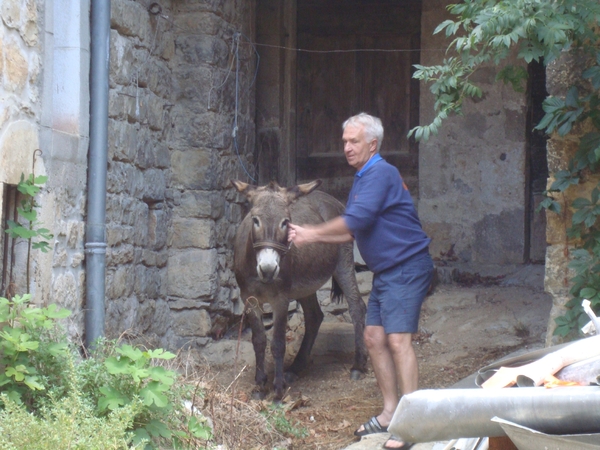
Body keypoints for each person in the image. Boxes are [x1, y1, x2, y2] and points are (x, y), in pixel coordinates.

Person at [288, 112, 433, 450]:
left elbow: (355, 219)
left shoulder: (381, 173)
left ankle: (413, 425)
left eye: (353, 142)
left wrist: (310, 231)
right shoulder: (364, 177)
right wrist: (311, 239)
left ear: (372, 144)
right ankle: (389, 413)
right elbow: (352, 230)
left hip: (407, 266)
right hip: (388, 270)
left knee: (398, 341)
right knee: (373, 337)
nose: (346, 148)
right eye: (344, 142)